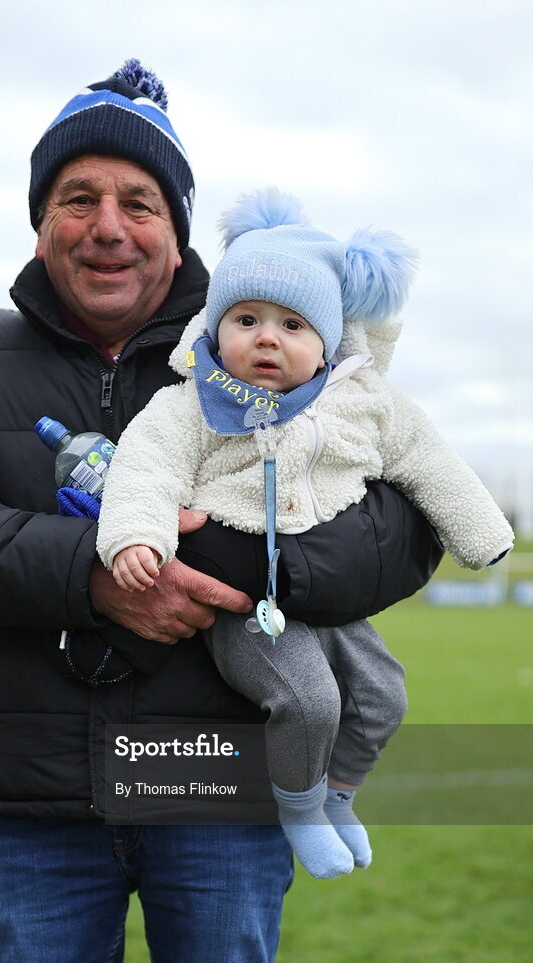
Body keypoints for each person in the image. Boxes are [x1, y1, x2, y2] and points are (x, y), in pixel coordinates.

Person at [0, 61, 443, 963]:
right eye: (77, 198)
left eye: (139, 201)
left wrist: (254, 568)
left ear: (177, 225)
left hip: (222, 783)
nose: (107, 225)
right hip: (38, 797)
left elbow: (405, 522)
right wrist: (98, 579)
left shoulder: (269, 336)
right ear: (40, 219)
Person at [97, 188, 514, 881]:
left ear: (325, 342)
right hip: (248, 603)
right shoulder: (190, 403)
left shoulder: (365, 402)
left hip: (332, 592)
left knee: (384, 697)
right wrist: (137, 538)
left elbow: (428, 459)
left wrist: (482, 534)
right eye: (247, 318)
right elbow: (145, 468)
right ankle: (300, 807)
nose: (267, 336)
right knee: (307, 700)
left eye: (293, 324)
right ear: (214, 326)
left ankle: (340, 793)